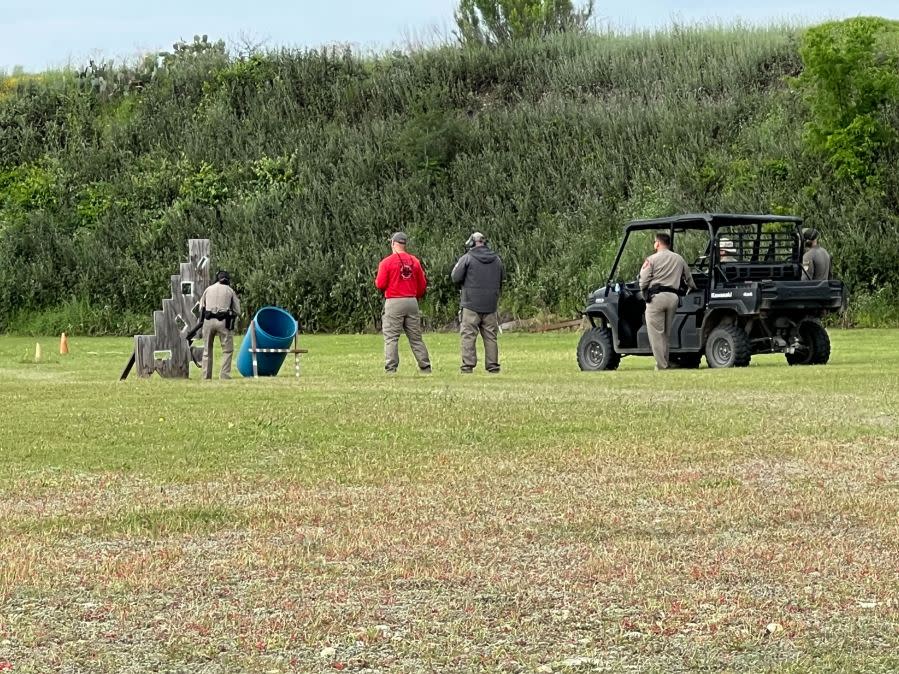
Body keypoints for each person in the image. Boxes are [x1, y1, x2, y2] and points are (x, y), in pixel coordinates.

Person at [375, 232, 431, 374]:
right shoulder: (414, 261)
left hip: (394, 301)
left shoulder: (386, 262)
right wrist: (414, 295)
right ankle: (425, 366)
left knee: (391, 337)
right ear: (405, 244)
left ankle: (391, 368)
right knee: (415, 337)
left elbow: (380, 284)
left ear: (393, 243)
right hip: (412, 301)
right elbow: (422, 285)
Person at [639, 232, 697, 370]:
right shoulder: (679, 258)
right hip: (673, 298)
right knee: (666, 333)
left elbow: (643, 280)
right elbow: (689, 278)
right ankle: (665, 361)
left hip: (656, 298)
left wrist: (643, 292)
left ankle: (661, 365)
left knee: (656, 334)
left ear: (658, 243)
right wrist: (692, 288)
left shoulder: (651, 259)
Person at [451, 232, 505, 374]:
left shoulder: (467, 258)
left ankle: (468, 366)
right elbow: (501, 279)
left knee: (468, 335)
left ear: (471, 243)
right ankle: (492, 365)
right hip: (490, 304)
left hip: (470, 304)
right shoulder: (497, 259)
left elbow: (455, 277)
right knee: (491, 336)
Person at [198, 270, 241, 380]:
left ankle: (206, 376)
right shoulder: (230, 290)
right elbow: (237, 310)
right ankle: (224, 375)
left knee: (207, 350)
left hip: (208, 321)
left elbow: (201, 307)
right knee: (227, 350)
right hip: (223, 321)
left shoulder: (208, 289)